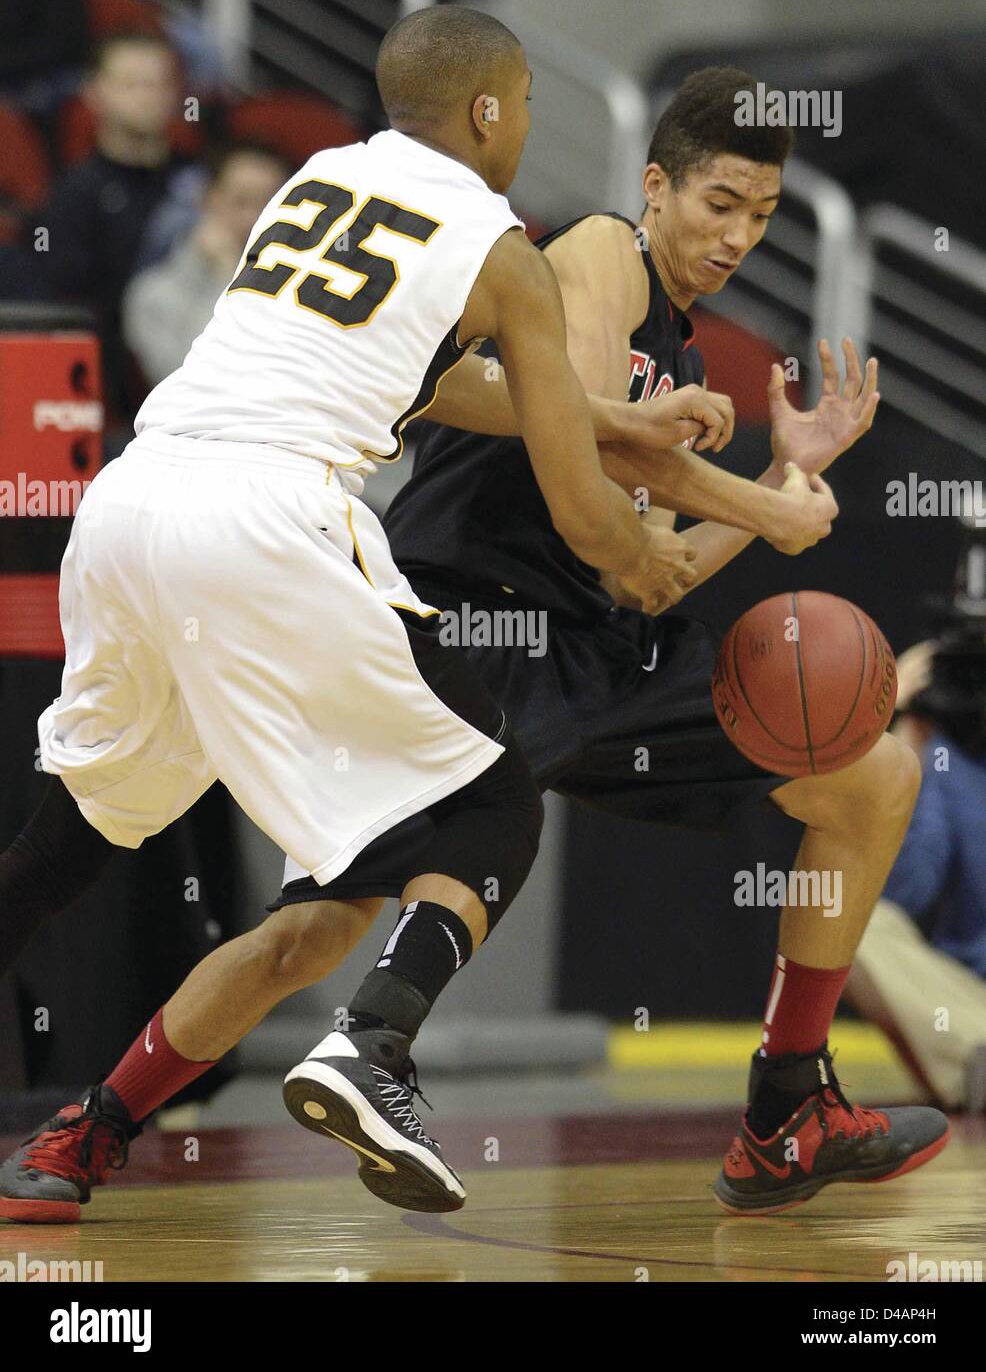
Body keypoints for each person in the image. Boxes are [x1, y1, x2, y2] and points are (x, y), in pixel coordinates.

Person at [0, 6, 798, 1225]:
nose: (530, 125)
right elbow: (592, 527)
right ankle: (369, 1051)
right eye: (527, 100)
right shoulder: (506, 247)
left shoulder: (321, 176)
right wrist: (684, 541)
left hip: (132, 499)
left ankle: (98, 1129)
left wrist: (629, 423)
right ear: (489, 111)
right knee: (488, 801)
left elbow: (428, 377)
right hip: (270, 520)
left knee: (72, 837)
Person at [274, 66, 950, 1216]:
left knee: (870, 774)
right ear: (653, 186)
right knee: (311, 926)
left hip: (587, 645)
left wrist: (793, 476)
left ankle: (784, 1100)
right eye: (719, 204)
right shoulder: (594, 251)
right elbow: (592, 454)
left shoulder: (680, 360)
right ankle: (172, 1097)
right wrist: (772, 510)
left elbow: (656, 569)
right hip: (464, 604)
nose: (737, 235)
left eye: (761, 216)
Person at [846, 627, 986, 1112]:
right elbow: (901, 890)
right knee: (850, 922)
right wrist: (904, 741)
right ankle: (970, 1058)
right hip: (973, 1005)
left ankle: (965, 1065)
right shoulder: (951, 766)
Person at [34, 31, 191, 418]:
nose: (146, 95)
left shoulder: (200, 184)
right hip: (117, 399)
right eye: (130, 83)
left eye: (157, 83)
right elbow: (67, 311)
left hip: (200, 368)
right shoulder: (73, 195)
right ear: (94, 92)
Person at [123, 142, 292, 386]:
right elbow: (189, 381)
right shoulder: (150, 294)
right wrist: (229, 277)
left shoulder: (302, 287)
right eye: (241, 201)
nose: (253, 219)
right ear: (208, 198)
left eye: (268, 204)